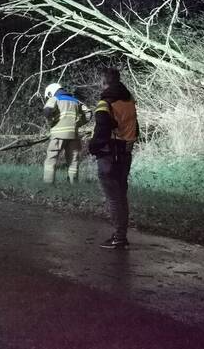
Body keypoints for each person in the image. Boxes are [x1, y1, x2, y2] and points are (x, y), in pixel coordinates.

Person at [88, 67, 139, 249]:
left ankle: (119, 238)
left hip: (110, 154)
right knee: (121, 195)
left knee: (114, 197)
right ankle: (121, 235)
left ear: (104, 83)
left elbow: (101, 130)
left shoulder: (105, 103)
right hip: (126, 153)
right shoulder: (129, 100)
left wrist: (92, 147)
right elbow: (135, 128)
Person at [42, 82, 90, 184]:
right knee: (73, 161)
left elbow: (47, 111)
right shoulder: (76, 101)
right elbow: (89, 114)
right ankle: (73, 185)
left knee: (51, 158)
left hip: (58, 135)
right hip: (73, 135)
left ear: (51, 93)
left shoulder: (54, 99)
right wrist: (79, 123)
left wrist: (51, 121)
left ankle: (48, 184)